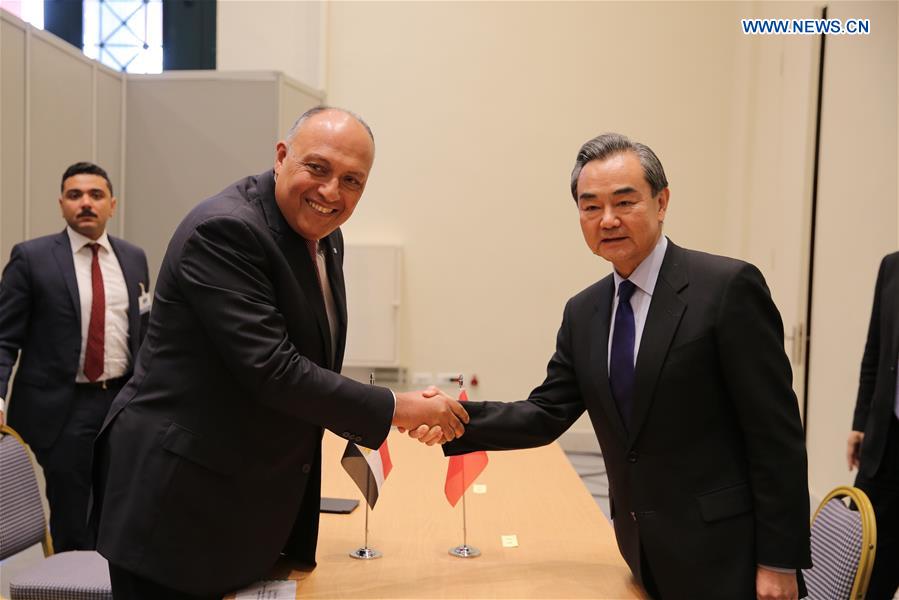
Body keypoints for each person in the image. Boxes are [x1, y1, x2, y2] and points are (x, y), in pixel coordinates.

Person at [91, 106, 469, 600]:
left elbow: (310, 362)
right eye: (318, 168)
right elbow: (274, 371)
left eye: (352, 180)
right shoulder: (225, 231)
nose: (332, 192)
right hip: (178, 507)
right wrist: (400, 409)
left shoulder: (323, 234)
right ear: (281, 156)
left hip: (247, 499)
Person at [426, 133, 811, 599]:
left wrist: (779, 561)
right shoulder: (584, 312)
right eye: (590, 207)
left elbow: (775, 435)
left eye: (624, 202)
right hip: (641, 550)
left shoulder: (727, 288)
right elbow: (546, 412)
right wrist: (452, 418)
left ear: (662, 201)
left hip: (729, 557)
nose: (607, 220)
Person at [0, 162, 149, 551]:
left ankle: (109, 584)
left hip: (120, 404)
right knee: (72, 514)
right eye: (75, 195)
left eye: (95, 195)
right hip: (62, 409)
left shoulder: (134, 259)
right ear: (61, 203)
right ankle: (71, 586)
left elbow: (145, 335)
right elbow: (4, 338)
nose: (86, 203)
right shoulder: (32, 258)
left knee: (117, 508)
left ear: (112, 205)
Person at [847, 251, 899, 599]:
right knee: (863, 574)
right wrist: (861, 421)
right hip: (885, 442)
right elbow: (875, 350)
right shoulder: (892, 266)